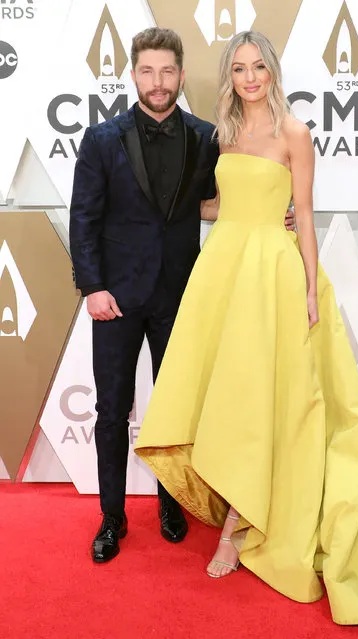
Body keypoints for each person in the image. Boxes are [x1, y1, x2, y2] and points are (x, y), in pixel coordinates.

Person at [134, 31, 358, 626]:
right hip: (224, 272)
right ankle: (238, 507)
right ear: (230, 76)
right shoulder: (220, 135)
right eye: (239, 69)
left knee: (272, 402)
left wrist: (308, 288)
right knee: (233, 397)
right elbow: (222, 202)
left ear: (273, 72)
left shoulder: (296, 133)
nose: (250, 78)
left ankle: (236, 529)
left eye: (258, 68)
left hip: (273, 276)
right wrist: (196, 208)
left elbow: (306, 216)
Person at [70, 26, 295, 564]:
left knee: (179, 407)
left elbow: (212, 204)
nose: (157, 81)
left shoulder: (205, 136)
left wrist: (266, 212)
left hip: (184, 297)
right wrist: (93, 287)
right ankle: (112, 517)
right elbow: (84, 218)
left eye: (167, 71)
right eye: (147, 71)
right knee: (111, 411)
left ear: (180, 74)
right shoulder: (101, 139)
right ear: (132, 75)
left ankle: (173, 507)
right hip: (116, 300)